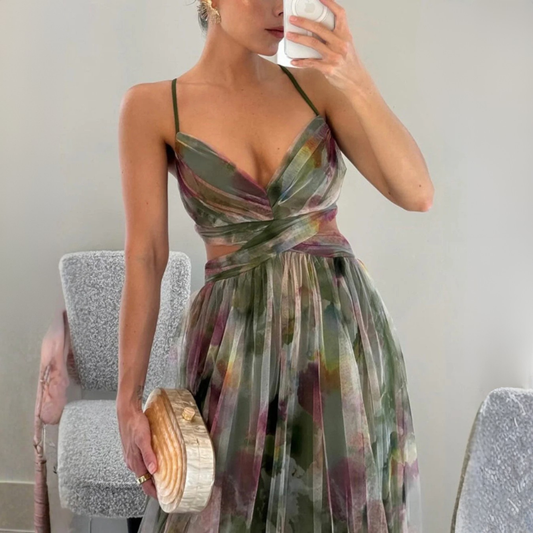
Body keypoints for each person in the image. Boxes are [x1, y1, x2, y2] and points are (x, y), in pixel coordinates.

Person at [116, 0, 432, 530]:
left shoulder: (318, 85)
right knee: (225, 510)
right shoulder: (152, 107)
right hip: (234, 347)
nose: (278, 8)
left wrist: (353, 73)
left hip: (338, 342)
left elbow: (417, 192)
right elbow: (146, 256)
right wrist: (126, 400)